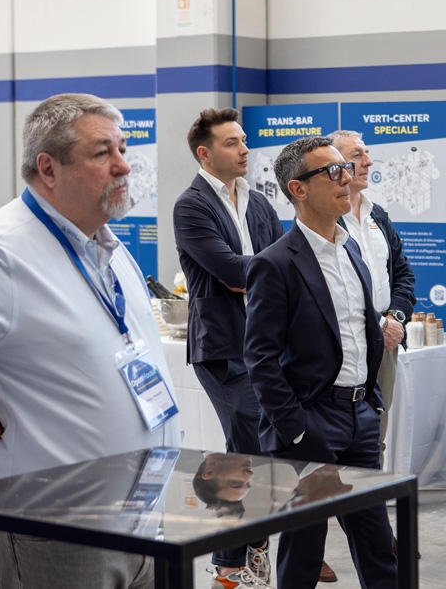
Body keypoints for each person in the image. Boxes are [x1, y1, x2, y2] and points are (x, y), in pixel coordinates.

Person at [0, 93, 181, 588]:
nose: (123, 166)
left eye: (122, 149)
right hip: (54, 531)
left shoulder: (107, 247)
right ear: (49, 168)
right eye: (102, 153)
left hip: (143, 518)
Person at [244, 136, 397, 589]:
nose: (346, 178)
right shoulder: (275, 264)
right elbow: (260, 359)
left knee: (379, 544)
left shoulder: (351, 250)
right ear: (298, 189)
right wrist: (297, 429)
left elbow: (362, 331)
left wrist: (370, 403)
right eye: (332, 171)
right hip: (309, 424)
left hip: (359, 418)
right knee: (304, 552)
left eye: (345, 169)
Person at [173, 107, 284, 588]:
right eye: (232, 142)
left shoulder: (258, 203)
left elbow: (283, 263)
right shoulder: (191, 206)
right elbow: (234, 270)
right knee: (250, 448)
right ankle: (238, 555)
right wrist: (259, 274)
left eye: (244, 141)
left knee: (253, 451)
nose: (244, 149)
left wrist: (258, 275)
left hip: (266, 342)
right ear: (205, 153)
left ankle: (241, 554)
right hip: (221, 348)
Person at [329, 129, 416, 461]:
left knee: (376, 429)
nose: (368, 162)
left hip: (385, 339)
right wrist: (380, 323)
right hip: (345, 339)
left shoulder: (377, 214)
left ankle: (370, 490)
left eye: (366, 153)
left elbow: (402, 273)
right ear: (334, 166)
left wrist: (395, 317)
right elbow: (334, 286)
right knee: (341, 431)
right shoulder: (326, 220)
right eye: (357, 155)